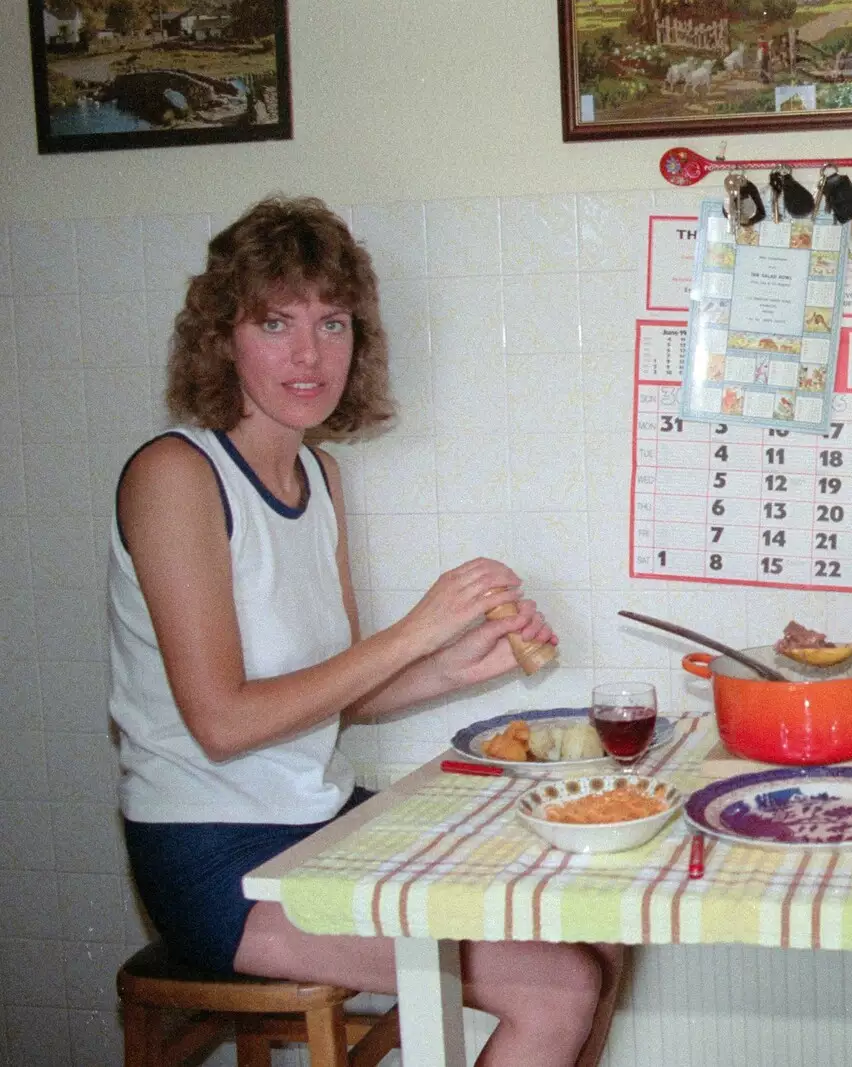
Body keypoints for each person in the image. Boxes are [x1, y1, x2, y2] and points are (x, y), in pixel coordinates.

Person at [111, 195, 618, 1067]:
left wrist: (456, 663)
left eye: (332, 322)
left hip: (316, 822)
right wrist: (416, 627)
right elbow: (224, 721)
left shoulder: (318, 474)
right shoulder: (174, 474)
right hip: (213, 858)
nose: (309, 354)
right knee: (558, 981)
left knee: (598, 932)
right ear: (221, 336)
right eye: (276, 322)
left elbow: (331, 698)